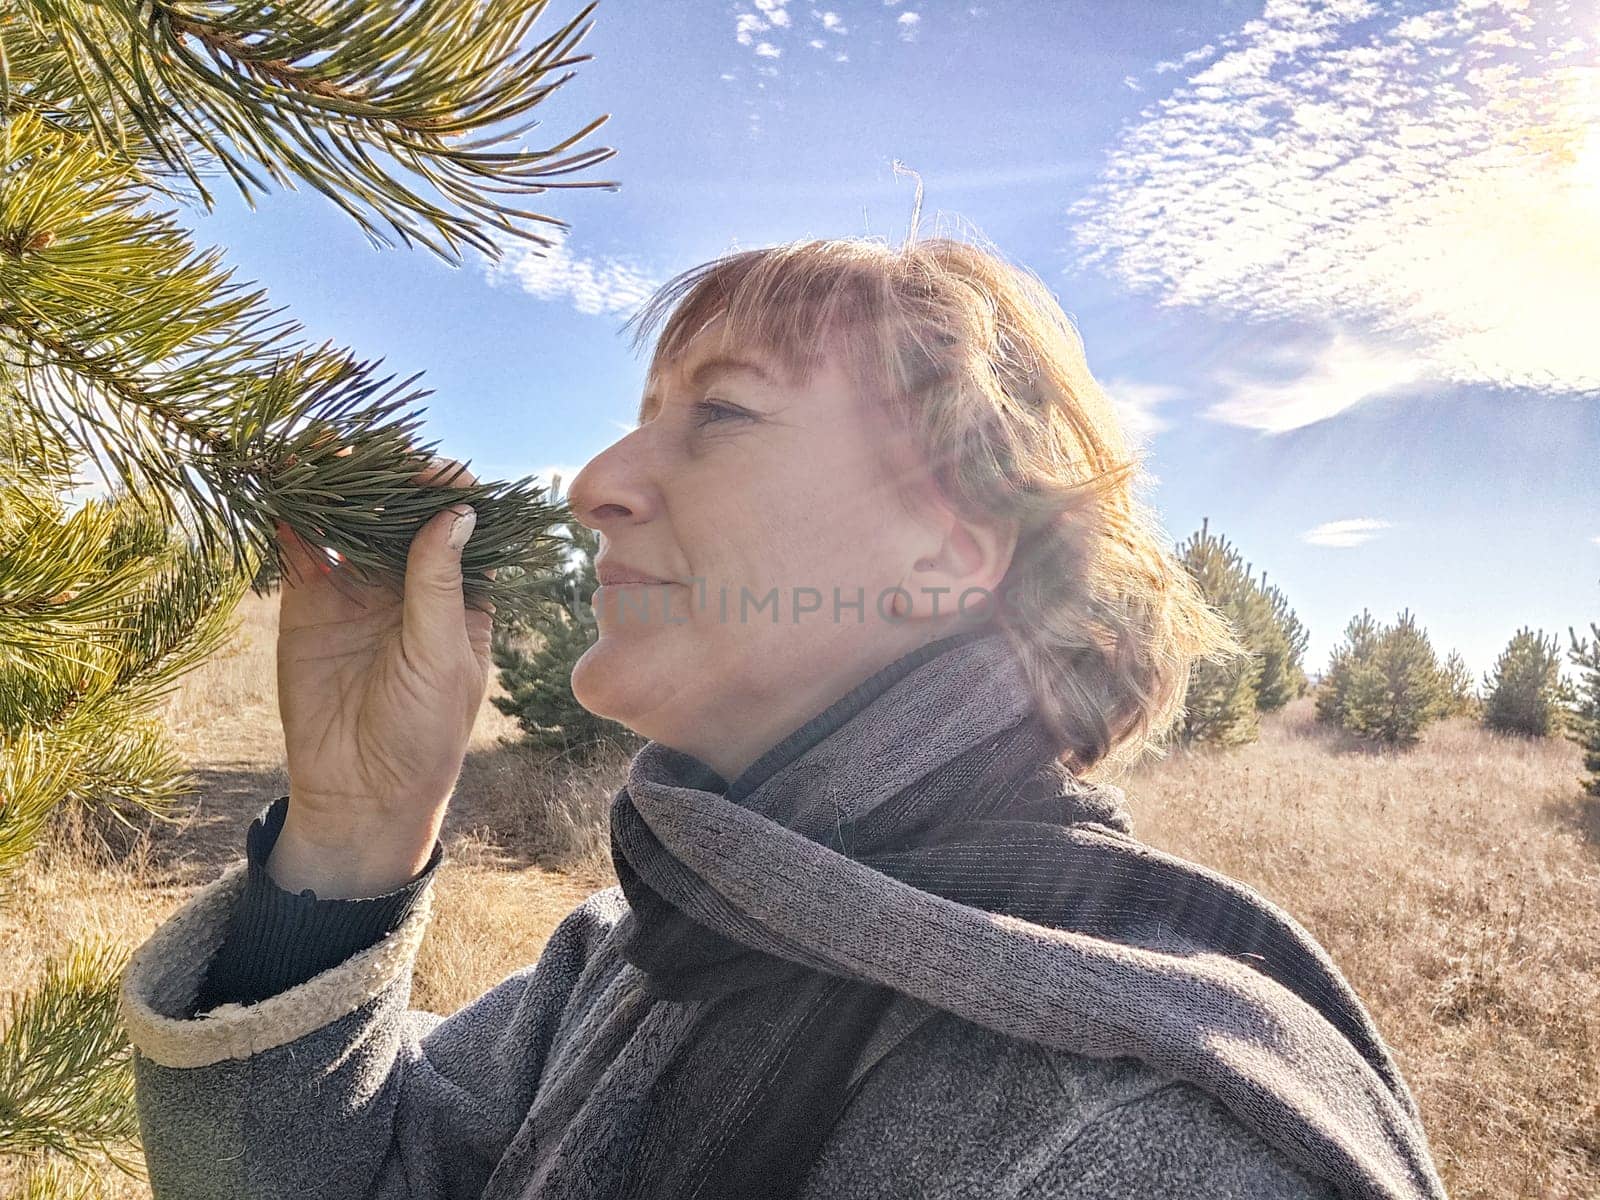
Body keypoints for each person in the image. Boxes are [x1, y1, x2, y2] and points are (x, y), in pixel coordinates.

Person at [119, 233, 1451, 1199]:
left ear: (948, 551)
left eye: (725, 414)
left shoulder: (1129, 1133)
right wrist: (355, 835)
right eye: (640, 418)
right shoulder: (643, 949)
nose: (593, 483)